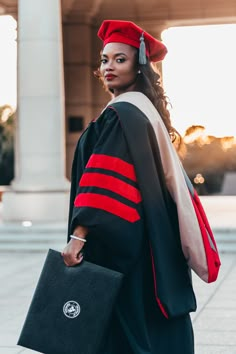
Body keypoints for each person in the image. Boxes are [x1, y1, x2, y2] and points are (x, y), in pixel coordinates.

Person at [62, 19, 212, 354]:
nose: (109, 67)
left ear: (139, 65)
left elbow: (104, 180)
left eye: (120, 59)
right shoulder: (143, 112)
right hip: (148, 239)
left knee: (125, 325)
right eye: (104, 60)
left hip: (122, 244)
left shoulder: (122, 114)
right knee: (148, 318)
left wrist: (77, 237)